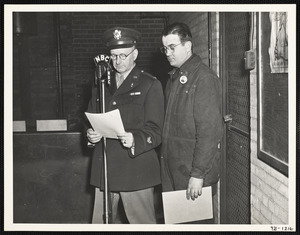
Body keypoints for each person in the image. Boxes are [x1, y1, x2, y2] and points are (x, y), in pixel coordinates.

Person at [85, 27, 164, 224]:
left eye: (123, 55)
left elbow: (156, 130)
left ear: (135, 54)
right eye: (113, 56)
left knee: (142, 223)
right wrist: (89, 135)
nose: (118, 61)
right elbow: (89, 118)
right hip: (105, 167)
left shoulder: (149, 85)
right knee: (100, 224)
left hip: (135, 168)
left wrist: (134, 139)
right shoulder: (101, 84)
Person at [159, 23, 223, 223]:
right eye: (165, 48)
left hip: (192, 176)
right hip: (174, 173)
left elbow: (209, 132)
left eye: (172, 47)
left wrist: (198, 174)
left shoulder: (204, 78)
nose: (167, 53)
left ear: (187, 46)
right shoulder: (174, 77)